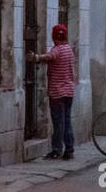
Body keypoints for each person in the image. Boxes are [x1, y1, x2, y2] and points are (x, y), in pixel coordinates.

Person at [29, 24, 76, 160]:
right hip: (69, 91)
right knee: (67, 120)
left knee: (58, 122)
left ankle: (56, 149)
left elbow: (49, 57)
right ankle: (69, 148)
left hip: (57, 92)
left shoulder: (58, 49)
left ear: (54, 36)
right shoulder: (68, 49)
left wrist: (36, 57)